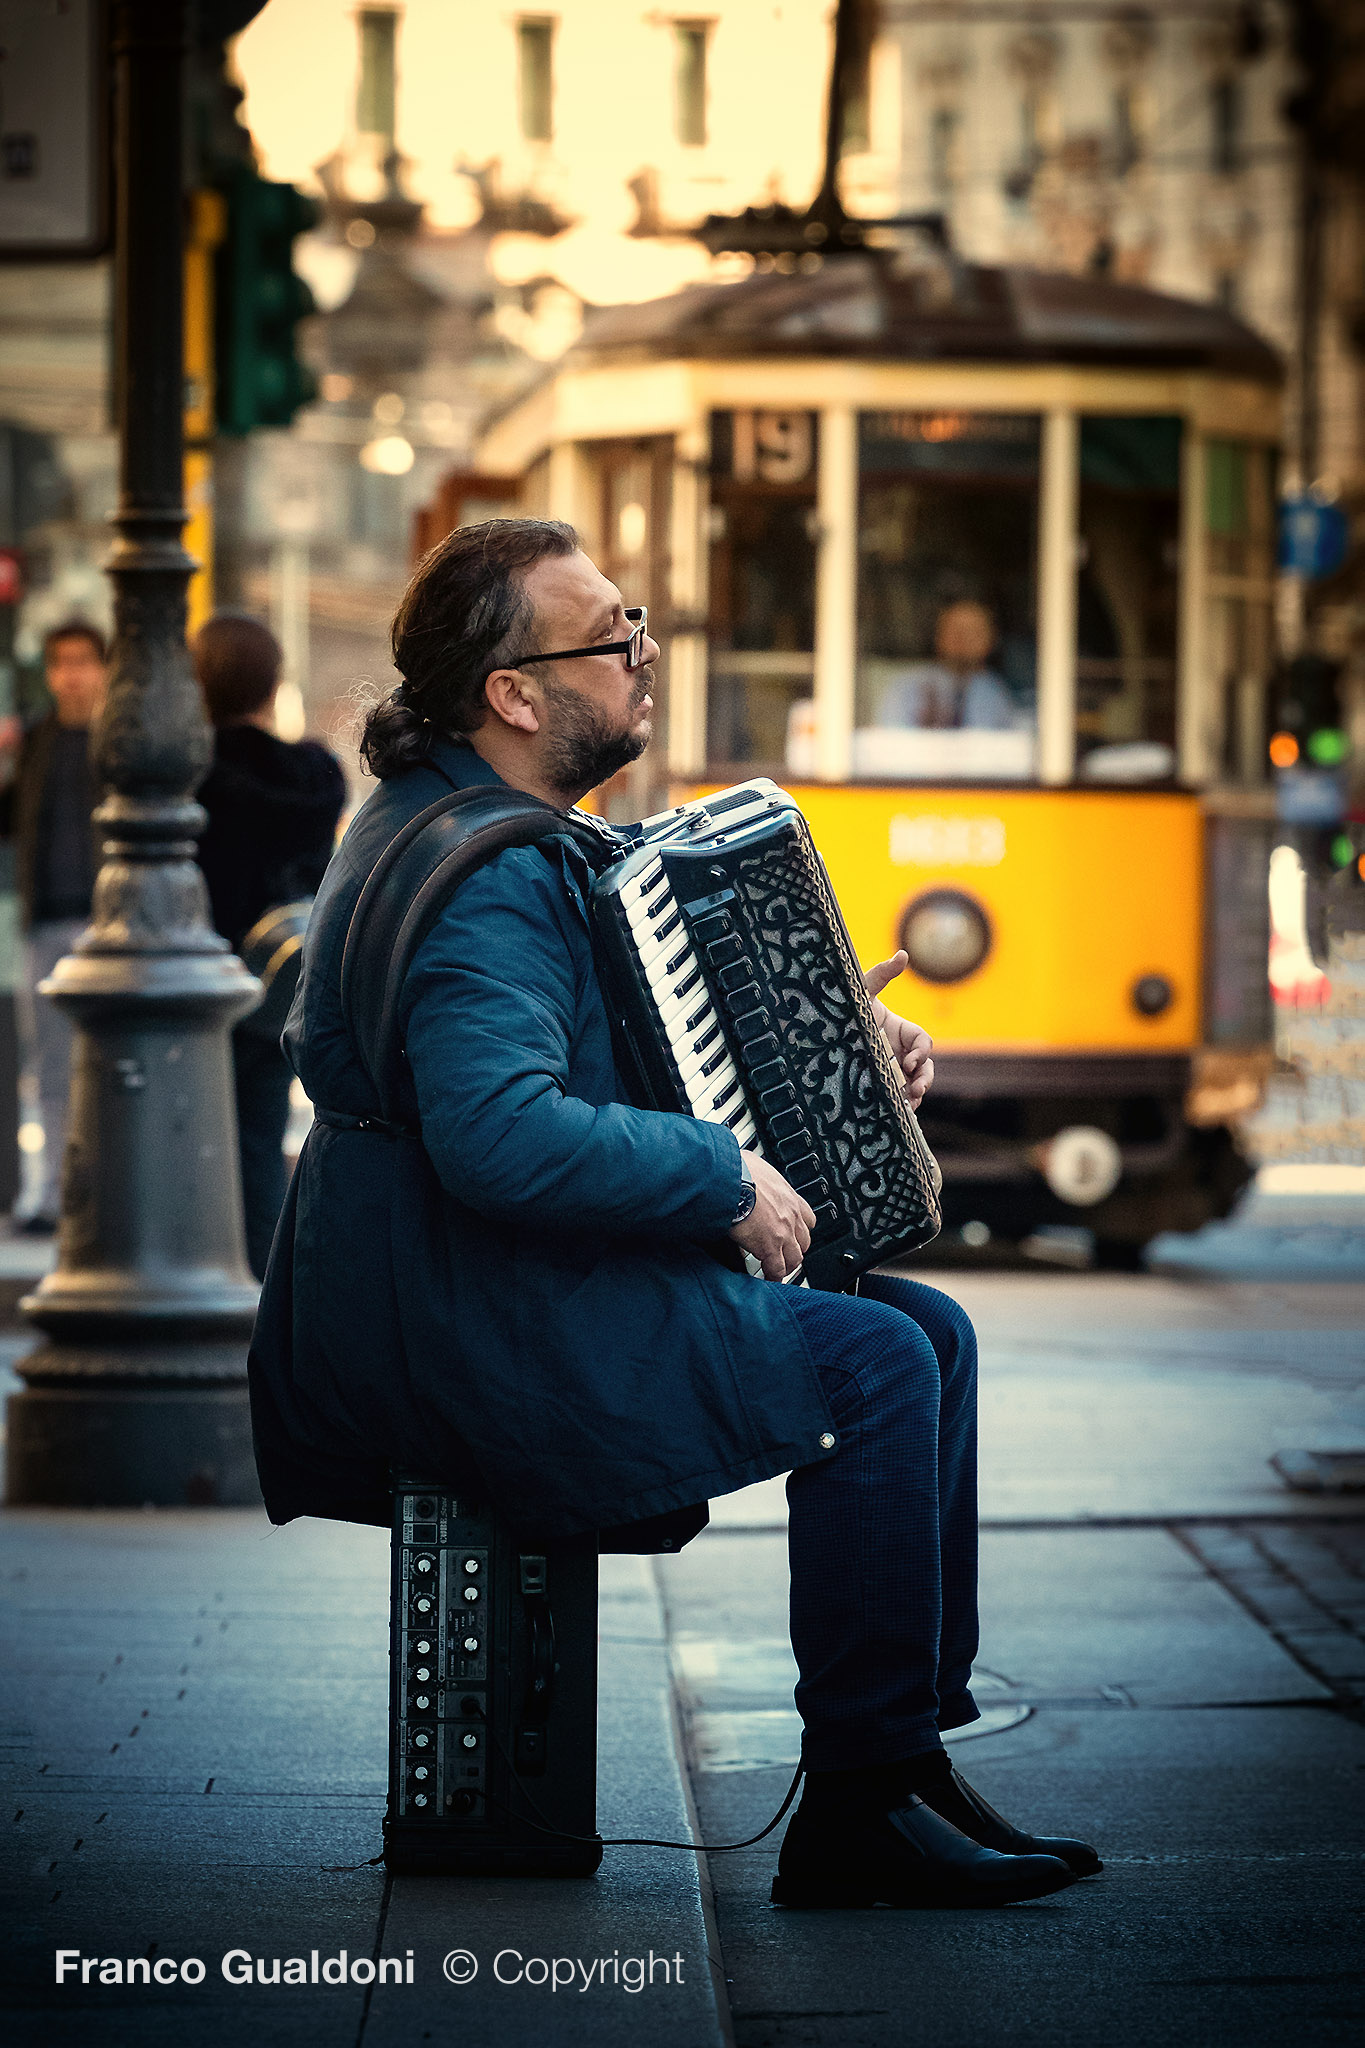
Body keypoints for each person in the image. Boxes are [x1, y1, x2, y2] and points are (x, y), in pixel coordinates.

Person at [248, 520, 1099, 1909]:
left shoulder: (479, 825)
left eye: (636, 621)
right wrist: (720, 1177)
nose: (645, 653)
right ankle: (862, 1810)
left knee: (924, 1330)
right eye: (609, 637)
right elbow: (496, 1132)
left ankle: (900, 1762)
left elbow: (599, 1035)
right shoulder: (491, 878)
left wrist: (835, 1032)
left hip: (474, 1277)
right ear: (514, 695)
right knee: (875, 1364)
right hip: (460, 1319)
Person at [192, 613, 346, 1280]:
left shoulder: (188, 776)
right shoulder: (314, 775)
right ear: (271, 683)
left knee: (190, 1144)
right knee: (259, 1136)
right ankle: (263, 1284)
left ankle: (204, 1273)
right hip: (280, 979)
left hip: (196, 982)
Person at [0, 620, 108, 1232]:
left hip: (102, 924)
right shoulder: (36, 740)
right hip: (44, 920)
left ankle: (97, 1189)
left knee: (103, 1063)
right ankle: (50, 1194)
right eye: (60, 661)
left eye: (83, 661)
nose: (71, 674)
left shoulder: (121, 739)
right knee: (47, 1064)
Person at [877, 599, 1016, 731]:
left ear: (990, 640)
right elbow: (890, 743)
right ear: (938, 636)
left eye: (973, 632)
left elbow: (1008, 746)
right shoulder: (907, 686)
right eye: (955, 630)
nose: (963, 639)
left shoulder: (995, 692)